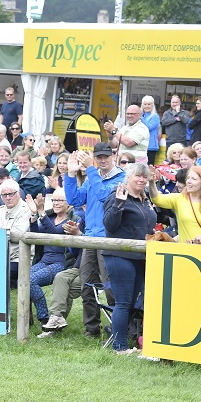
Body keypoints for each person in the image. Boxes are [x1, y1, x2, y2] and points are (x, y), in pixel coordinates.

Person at [64, 143, 124, 338]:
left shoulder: (122, 178)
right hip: (90, 237)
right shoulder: (93, 177)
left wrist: (90, 168)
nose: (102, 160)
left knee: (110, 286)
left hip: (109, 239)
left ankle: (119, 328)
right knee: (87, 285)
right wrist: (71, 175)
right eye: (99, 157)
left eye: (106, 156)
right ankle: (92, 328)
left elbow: (102, 197)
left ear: (113, 155)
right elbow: (74, 199)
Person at [102, 163, 156, 354]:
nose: (141, 180)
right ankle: (119, 347)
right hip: (119, 255)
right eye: (137, 176)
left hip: (141, 257)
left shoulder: (145, 199)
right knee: (123, 302)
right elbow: (109, 225)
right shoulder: (118, 196)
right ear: (128, 177)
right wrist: (118, 203)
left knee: (131, 301)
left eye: (144, 177)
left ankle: (122, 341)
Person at [27, 189, 80, 327]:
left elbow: (55, 233)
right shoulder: (49, 218)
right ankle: (29, 317)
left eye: (60, 200)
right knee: (24, 278)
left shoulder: (72, 220)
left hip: (61, 263)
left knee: (31, 280)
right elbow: (35, 235)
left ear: (68, 203)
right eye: (54, 200)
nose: (56, 203)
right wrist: (34, 214)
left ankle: (44, 317)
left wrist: (42, 213)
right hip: (44, 261)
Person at [149, 165, 201, 244]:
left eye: (193, 179)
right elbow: (157, 199)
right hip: (185, 252)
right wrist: (151, 182)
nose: (188, 181)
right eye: (188, 178)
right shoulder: (179, 199)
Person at [0, 178, 32, 287]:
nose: (8, 198)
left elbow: (17, 235)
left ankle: (1, 303)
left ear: (18, 193)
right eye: (4, 195)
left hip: (18, 259)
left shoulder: (27, 210)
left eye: (11, 194)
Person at [140, 95, 161, 164]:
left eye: (149, 104)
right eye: (145, 104)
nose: (147, 106)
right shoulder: (141, 115)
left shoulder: (155, 116)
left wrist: (140, 118)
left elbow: (148, 127)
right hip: (140, 145)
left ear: (152, 106)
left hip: (150, 146)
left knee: (149, 167)